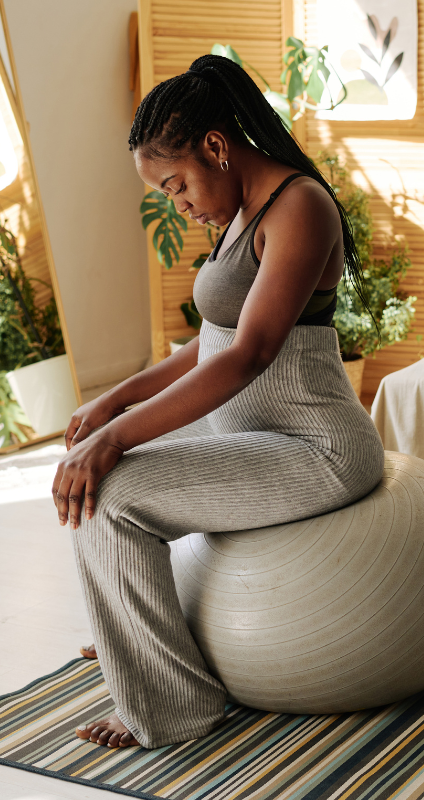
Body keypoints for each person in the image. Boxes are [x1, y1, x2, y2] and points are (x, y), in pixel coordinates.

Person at [51, 53, 385, 750]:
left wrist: (114, 439)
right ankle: (139, 641)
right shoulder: (238, 215)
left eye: (176, 186)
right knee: (102, 486)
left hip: (317, 449)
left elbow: (249, 352)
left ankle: (174, 708)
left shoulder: (300, 206)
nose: (179, 206)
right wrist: (114, 402)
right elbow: (211, 342)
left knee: (111, 494)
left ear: (215, 146)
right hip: (258, 436)